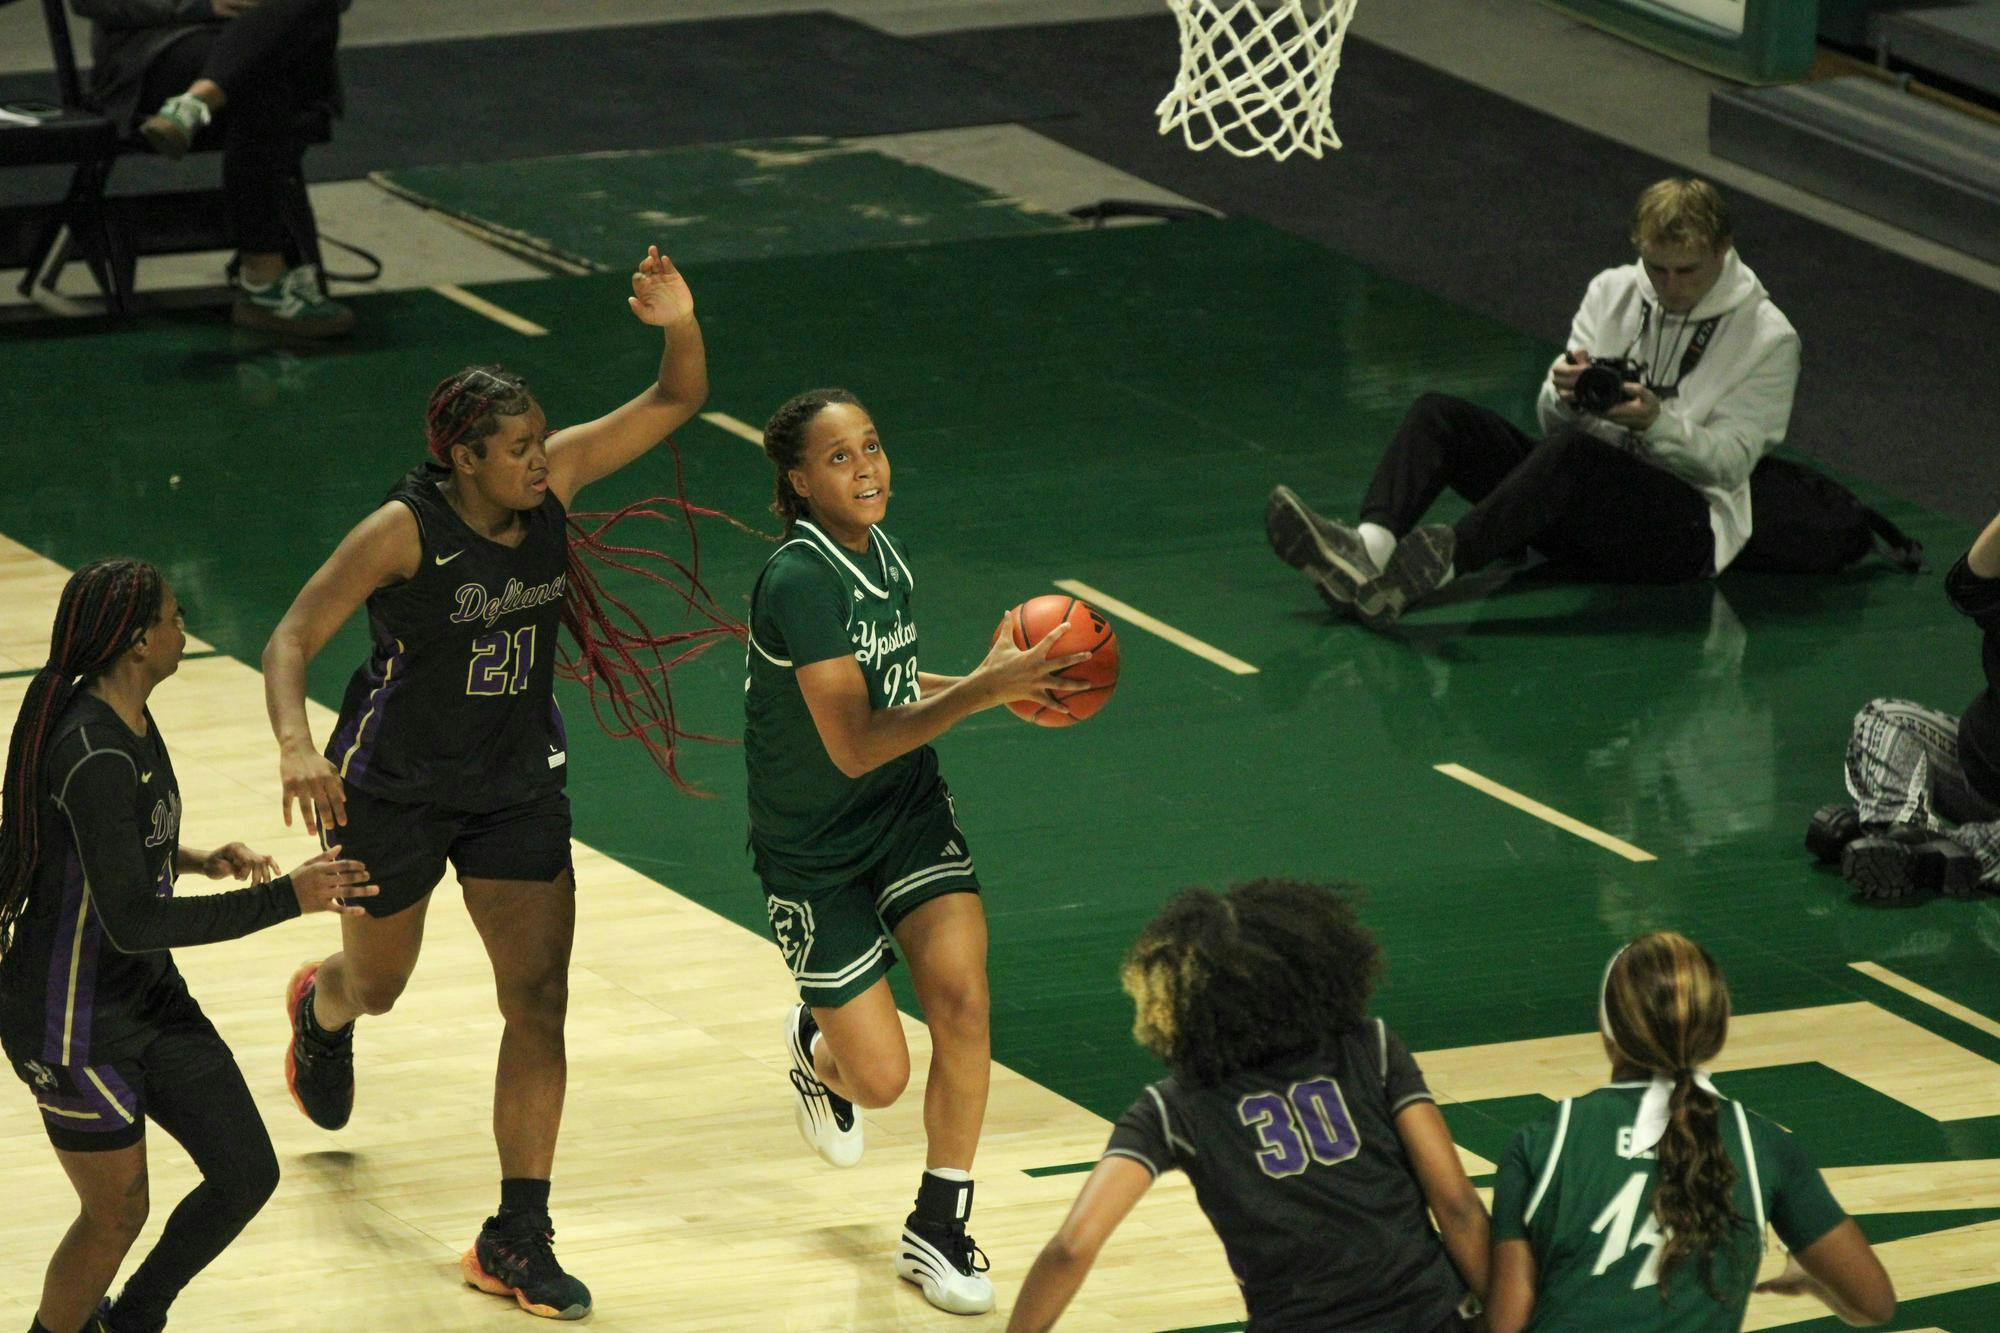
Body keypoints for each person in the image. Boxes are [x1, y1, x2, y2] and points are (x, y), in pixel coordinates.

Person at [261, 246, 716, 1321]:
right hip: (397, 786)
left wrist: (678, 319)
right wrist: (294, 745)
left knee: (540, 999)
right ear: (464, 459)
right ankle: (322, 1011)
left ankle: (515, 1233)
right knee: (381, 984)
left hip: (515, 781)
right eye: (516, 449)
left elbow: (679, 393)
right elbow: (290, 637)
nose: (538, 463)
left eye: (537, 442)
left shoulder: (553, 480)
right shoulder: (402, 531)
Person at [747, 388, 1088, 1315]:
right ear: (799, 479)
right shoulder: (799, 579)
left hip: (902, 810)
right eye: (840, 458)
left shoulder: (881, 550)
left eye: (872, 447)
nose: (867, 468)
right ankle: (818, 1045)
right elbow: (853, 737)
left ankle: (937, 1223)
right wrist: (988, 692)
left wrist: (986, 681)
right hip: (812, 845)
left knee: (965, 998)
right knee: (883, 1078)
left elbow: (889, 681)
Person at [0, 558, 371, 1333]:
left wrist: (193, 857)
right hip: (75, 1021)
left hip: (142, 993)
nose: (183, 626)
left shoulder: (132, 717)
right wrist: (284, 896)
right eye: (172, 617)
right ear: (138, 642)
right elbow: (134, 920)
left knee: (245, 1171)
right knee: (115, 1214)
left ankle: (131, 1318)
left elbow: (109, 850)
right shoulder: (92, 749)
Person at [1266, 178, 1800, 629]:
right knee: (1439, 414)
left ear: (1723, 250)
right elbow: (1550, 421)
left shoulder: (1768, 338)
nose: (1670, 286)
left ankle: (1440, 563)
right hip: (1576, 501)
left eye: (1688, 271)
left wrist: (1658, 425)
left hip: (1684, 534)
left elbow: (1729, 466)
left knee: (1574, 453)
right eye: (1657, 268)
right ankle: (1369, 552)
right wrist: (1564, 394)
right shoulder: (1612, 290)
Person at [1008, 879, 1488, 1332]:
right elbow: (1458, 1206)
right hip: (1431, 1318)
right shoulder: (1370, 1049)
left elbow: (1071, 1248)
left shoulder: (1173, 1107)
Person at [1487, 931, 1894, 1331]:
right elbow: (1873, 1303)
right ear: (1716, 1031)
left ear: (1609, 1027)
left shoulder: (1543, 1140)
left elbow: (1508, 1321)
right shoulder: (1765, 1147)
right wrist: (1809, 1279)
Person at [69, 0, 354, 336]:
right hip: (158, 50)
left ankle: (194, 105)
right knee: (261, 78)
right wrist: (201, 4)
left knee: (272, 46)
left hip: (270, 35)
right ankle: (263, 280)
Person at [1812, 510, 2000, 899]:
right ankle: (1904, 831)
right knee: (1883, 720)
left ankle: (1925, 852)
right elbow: (1969, 584)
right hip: (1983, 771)